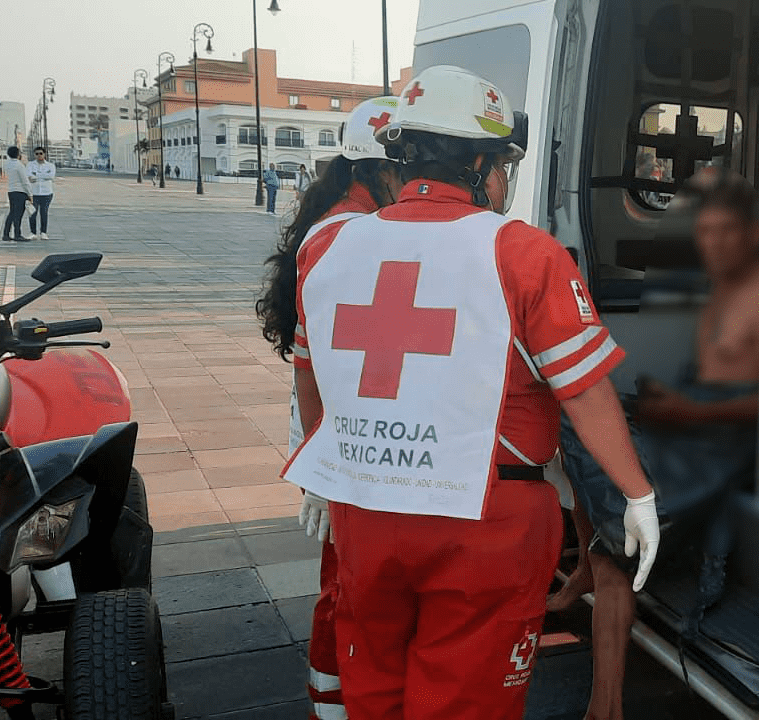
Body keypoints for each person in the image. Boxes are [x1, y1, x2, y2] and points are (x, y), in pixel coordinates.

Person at [282, 65, 660, 720]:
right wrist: (637, 492)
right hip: (484, 524)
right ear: (484, 164)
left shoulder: (330, 250)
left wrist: (322, 476)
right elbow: (585, 391)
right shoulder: (524, 253)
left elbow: (311, 375)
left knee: (374, 696)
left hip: (366, 515)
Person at [549, 168, 759, 720]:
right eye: (706, 232)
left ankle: (603, 707)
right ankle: (591, 557)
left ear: (754, 233)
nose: (715, 243)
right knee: (578, 423)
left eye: (728, 231)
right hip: (691, 424)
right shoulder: (724, 285)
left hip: (721, 451)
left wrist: (689, 410)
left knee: (617, 559)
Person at [255, 95, 405, 720]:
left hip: (338, 430)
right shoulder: (351, 232)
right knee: (344, 581)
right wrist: (323, 466)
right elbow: (330, 365)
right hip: (340, 434)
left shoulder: (337, 221)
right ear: (375, 169)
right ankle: (333, 703)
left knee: (347, 576)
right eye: (402, 168)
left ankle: (335, 698)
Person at [1, 147, 32, 242]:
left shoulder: (7, 164)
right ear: (18, 154)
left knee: (12, 213)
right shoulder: (19, 165)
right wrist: (30, 194)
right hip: (20, 192)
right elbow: (25, 181)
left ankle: (6, 234)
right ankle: (17, 234)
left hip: (11, 191)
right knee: (18, 215)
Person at [26, 146, 56, 240]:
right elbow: (29, 176)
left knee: (44, 213)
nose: (39, 155)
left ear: (44, 154)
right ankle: (33, 232)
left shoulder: (50, 165)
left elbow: (51, 176)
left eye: (41, 153)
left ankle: (43, 232)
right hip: (34, 193)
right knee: (32, 213)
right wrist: (43, 176)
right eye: (37, 154)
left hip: (46, 193)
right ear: (34, 155)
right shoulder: (30, 165)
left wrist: (36, 175)